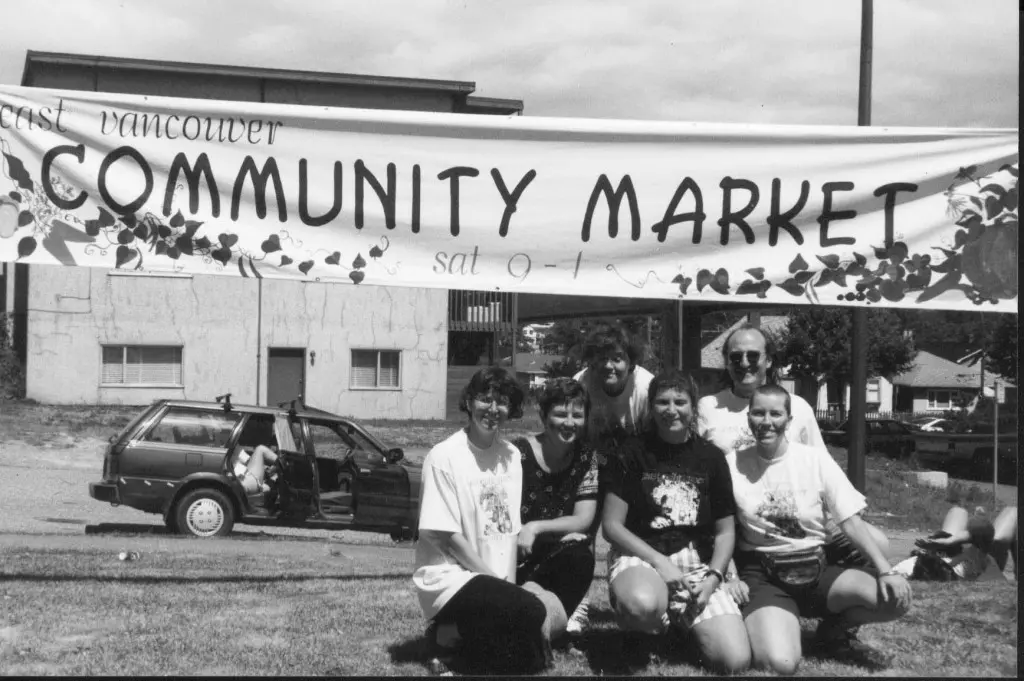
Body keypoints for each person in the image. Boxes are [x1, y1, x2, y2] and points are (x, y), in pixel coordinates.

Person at [724, 384, 912, 674]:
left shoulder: (814, 460)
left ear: (789, 419)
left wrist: (886, 570)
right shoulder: (731, 465)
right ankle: (774, 620)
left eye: (775, 413)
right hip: (762, 575)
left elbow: (850, 520)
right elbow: (721, 529)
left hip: (817, 567)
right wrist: (732, 575)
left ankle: (833, 631)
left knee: (895, 601)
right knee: (780, 663)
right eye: (758, 413)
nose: (766, 421)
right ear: (748, 417)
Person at [697, 322, 890, 563]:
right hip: (741, 519)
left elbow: (821, 465)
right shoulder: (708, 407)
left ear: (768, 360)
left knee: (880, 544)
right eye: (736, 357)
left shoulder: (797, 406)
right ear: (726, 362)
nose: (744, 363)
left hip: (796, 511)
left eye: (753, 355)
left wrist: (846, 509)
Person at [601, 370, 750, 673]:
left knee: (734, 660)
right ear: (651, 407)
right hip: (641, 554)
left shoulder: (711, 458)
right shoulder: (630, 452)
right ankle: (647, 626)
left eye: (680, 402)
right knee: (642, 604)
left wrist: (715, 578)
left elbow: (724, 532)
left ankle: (681, 624)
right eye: (662, 402)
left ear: (693, 407)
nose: (671, 410)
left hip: (696, 561)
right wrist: (659, 562)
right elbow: (612, 527)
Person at [412, 366, 552, 676]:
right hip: (451, 578)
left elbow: (508, 532)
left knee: (531, 647)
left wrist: (508, 590)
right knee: (531, 614)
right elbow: (445, 535)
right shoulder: (444, 456)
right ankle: (446, 634)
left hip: (493, 581)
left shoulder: (512, 456)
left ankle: (453, 639)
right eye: (484, 399)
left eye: (501, 401)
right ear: (470, 401)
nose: (493, 409)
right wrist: (494, 582)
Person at [568, 324, 655, 636]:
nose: (609, 365)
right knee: (581, 534)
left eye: (617, 358)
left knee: (633, 536)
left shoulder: (646, 388)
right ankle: (575, 606)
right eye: (601, 358)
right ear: (591, 361)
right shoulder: (580, 384)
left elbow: (653, 442)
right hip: (593, 463)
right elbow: (573, 435)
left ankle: (633, 601)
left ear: (630, 361)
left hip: (634, 471)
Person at [511, 377, 600, 632]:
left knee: (580, 551)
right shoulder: (517, 453)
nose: (569, 423)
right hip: (514, 550)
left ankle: (554, 623)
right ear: (543, 414)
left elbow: (584, 518)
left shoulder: (586, 456)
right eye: (561, 414)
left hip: (553, 550)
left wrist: (536, 527)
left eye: (577, 415)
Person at [892, 505, 1018, 582]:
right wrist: (950, 541)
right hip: (981, 557)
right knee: (1012, 512)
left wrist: (945, 543)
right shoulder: (982, 571)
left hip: (949, 552)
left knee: (958, 511)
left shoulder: (908, 567)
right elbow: (984, 534)